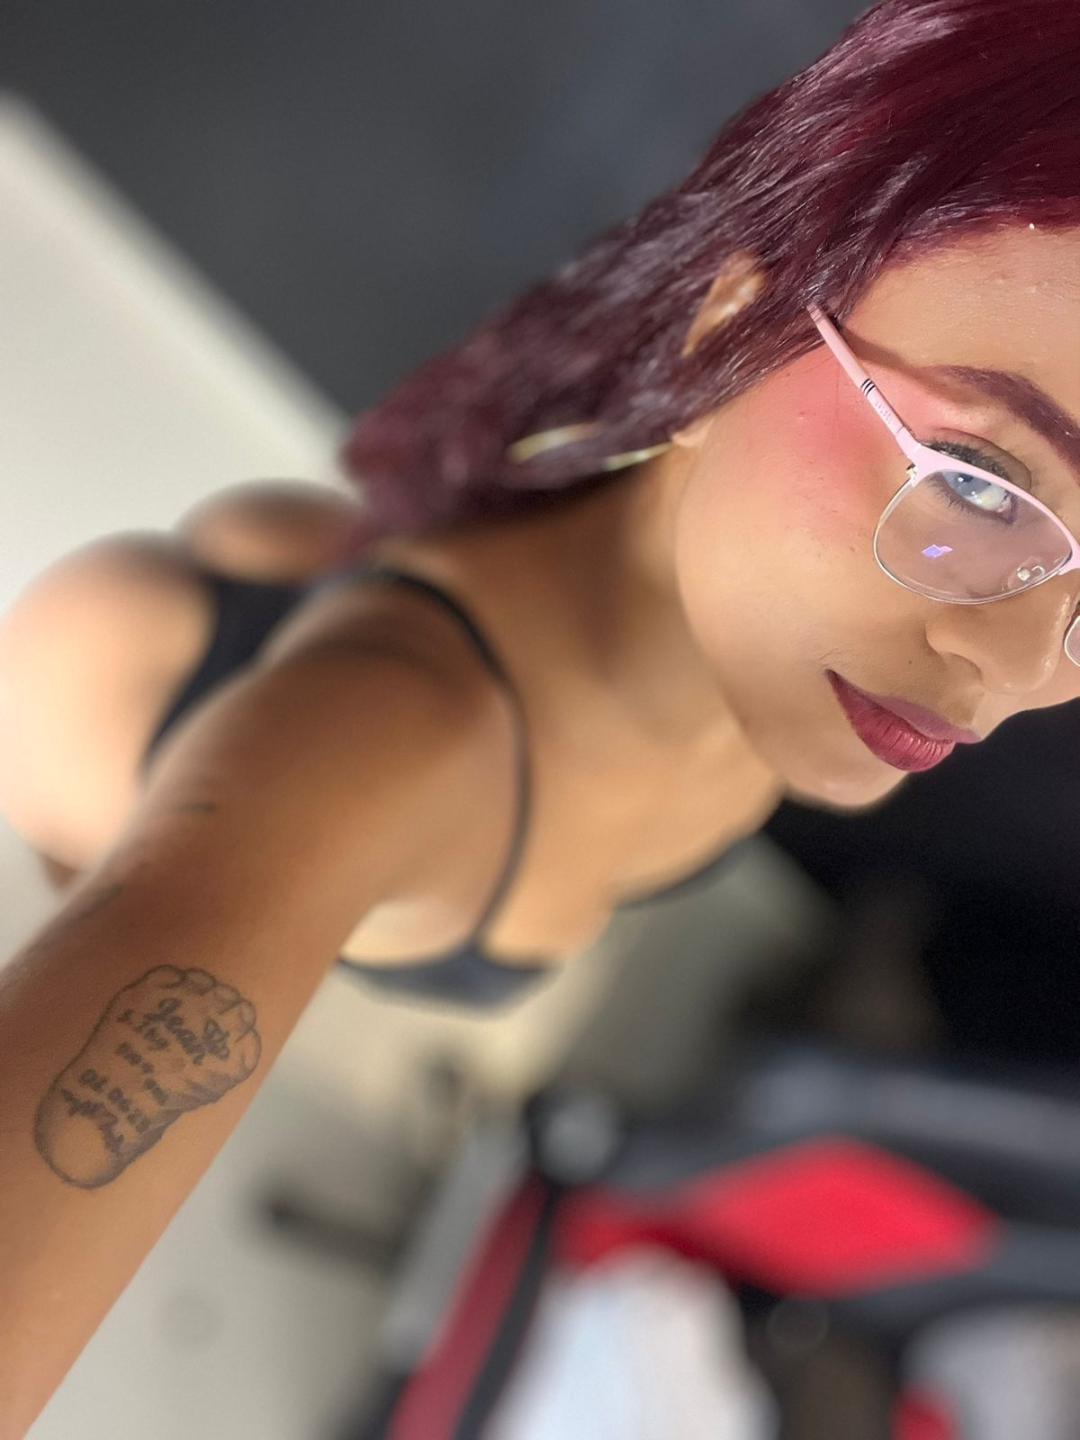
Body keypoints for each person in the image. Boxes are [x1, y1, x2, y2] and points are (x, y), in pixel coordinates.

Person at [2, 0, 1079, 1426]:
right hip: (106, 704)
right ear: (738, 326)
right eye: (981, 483)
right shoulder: (394, 742)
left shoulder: (799, 659)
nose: (1023, 664)